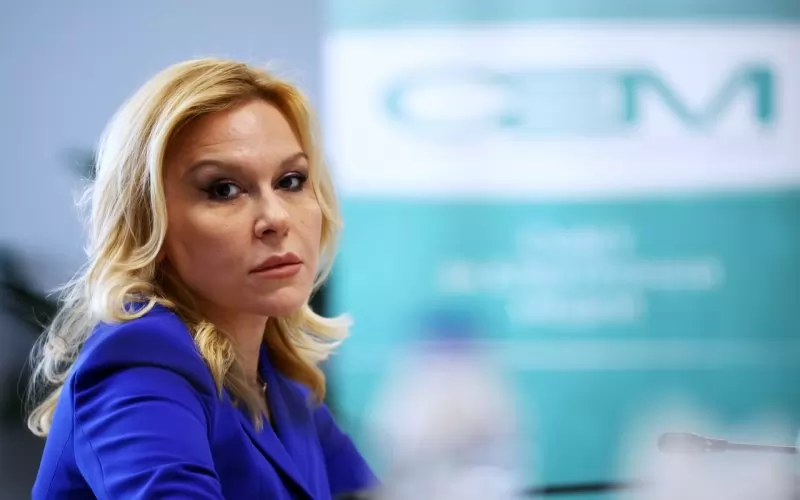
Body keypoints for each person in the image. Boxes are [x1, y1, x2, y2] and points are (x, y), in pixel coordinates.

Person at [26, 57, 377, 499]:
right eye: (223, 190)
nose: (276, 218)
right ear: (150, 225)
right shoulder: (140, 361)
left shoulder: (280, 383)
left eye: (291, 181)